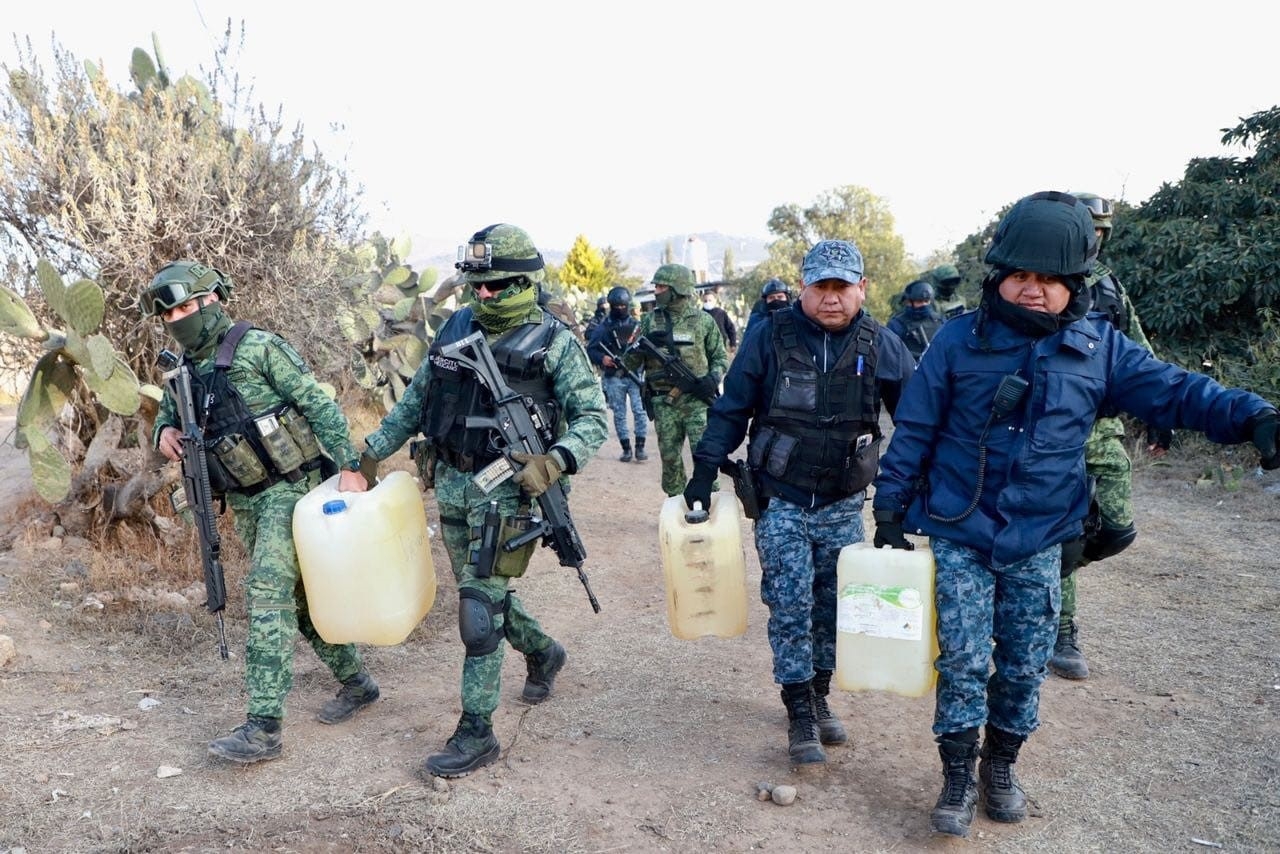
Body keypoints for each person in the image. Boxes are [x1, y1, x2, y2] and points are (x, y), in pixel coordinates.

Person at [869, 191, 1279, 838]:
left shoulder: (1102, 350)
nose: (1034, 291)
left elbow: (1176, 390)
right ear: (998, 277)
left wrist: (1252, 415)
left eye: (1051, 280)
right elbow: (914, 428)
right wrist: (890, 506)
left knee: (1026, 660)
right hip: (960, 529)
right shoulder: (953, 342)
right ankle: (956, 770)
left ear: (1075, 284)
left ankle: (1000, 766)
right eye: (1021, 276)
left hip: (1041, 535)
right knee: (964, 659)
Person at [361, 223, 608, 778]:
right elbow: (416, 398)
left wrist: (557, 460)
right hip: (451, 481)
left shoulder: (554, 343)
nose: (483, 295)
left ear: (523, 282)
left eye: (494, 286)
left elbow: (594, 419)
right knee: (482, 595)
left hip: (510, 490)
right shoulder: (456, 327)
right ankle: (543, 651)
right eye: (476, 285)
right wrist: (372, 453)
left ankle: (477, 731)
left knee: (477, 608)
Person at [683, 240, 915, 767]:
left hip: (842, 502)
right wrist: (703, 470)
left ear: (861, 288)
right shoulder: (770, 336)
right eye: (820, 288)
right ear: (803, 288)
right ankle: (799, 710)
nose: (831, 299)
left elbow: (917, 424)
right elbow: (731, 408)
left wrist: (899, 498)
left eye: (842, 287)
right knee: (790, 604)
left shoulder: (883, 344)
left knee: (833, 607)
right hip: (781, 497)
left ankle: (820, 693)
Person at [141, 260, 380, 765]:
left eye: (187, 306)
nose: (180, 318)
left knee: (268, 590)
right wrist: (164, 435)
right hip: (247, 500)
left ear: (213, 300)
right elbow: (167, 420)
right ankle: (357, 683)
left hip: (290, 489)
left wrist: (351, 469)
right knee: (297, 597)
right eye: (171, 313)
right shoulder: (182, 372)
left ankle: (263, 726)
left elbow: (319, 406)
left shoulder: (258, 348)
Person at [1050, 191, 1170, 680]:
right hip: (1054, 428)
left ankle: (1042, 588)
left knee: (1115, 528)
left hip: (1103, 427)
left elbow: (1139, 350)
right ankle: (1061, 630)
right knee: (1067, 532)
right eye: (1086, 230)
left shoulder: (1110, 288)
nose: (1093, 239)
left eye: (1100, 231)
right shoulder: (1038, 280)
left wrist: (1160, 409)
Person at [624, 263, 728, 497]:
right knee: (670, 459)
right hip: (664, 403)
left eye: (661, 286)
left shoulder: (703, 321)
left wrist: (713, 378)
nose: (656, 291)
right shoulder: (649, 321)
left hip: (697, 401)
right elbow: (627, 363)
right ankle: (675, 505)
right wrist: (643, 345)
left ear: (677, 289)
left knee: (704, 455)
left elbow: (720, 356)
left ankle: (708, 502)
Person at [587, 285, 648, 462]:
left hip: (635, 376)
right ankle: (626, 449)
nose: (620, 309)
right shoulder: (602, 328)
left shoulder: (637, 327)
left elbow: (646, 349)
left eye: (623, 306)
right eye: (617, 306)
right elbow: (591, 350)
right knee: (619, 413)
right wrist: (602, 358)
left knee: (639, 411)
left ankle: (640, 447)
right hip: (614, 377)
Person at [887, 279, 945, 365]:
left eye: (926, 301)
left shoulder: (939, 321)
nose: (924, 305)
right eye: (919, 301)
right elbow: (889, 356)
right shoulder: (897, 325)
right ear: (909, 302)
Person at [701, 288, 738, 354]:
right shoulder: (699, 315)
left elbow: (731, 328)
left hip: (720, 348)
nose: (707, 302)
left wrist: (733, 344)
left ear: (715, 301)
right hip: (704, 350)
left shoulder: (721, 313)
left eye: (710, 300)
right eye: (705, 301)